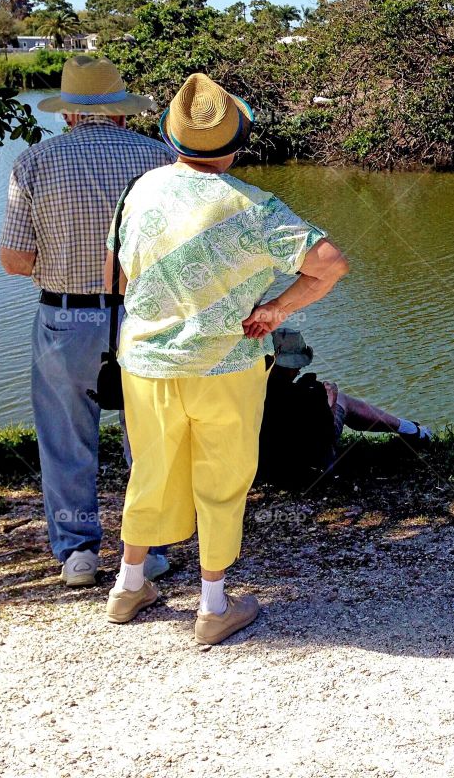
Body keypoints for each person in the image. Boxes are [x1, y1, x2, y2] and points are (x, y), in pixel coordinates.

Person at [104, 73, 348, 645]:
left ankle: (128, 584)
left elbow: (120, 278)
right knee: (222, 476)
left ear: (172, 138)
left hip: (146, 364)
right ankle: (213, 606)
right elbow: (330, 264)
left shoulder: (140, 191)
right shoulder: (256, 208)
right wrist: (275, 310)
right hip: (226, 364)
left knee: (151, 470)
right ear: (236, 142)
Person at [0, 55, 175, 588]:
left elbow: (14, 260)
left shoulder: (34, 162)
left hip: (65, 318)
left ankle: (77, 552)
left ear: (69, 114)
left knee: (65, 439)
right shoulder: (163, 160)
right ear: (121, 112)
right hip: (147, 316)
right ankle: (150, 550)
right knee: (149, 436)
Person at [257, 328, 432, 487]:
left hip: (263, 468)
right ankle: (412, 430)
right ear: (291, 368)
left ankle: (409, 429)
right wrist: (330, 400)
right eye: (298, 367)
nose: (299, 371)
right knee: (342, 399)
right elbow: (325, 434)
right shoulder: (306, 395)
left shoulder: (252, 392)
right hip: (308, 469)